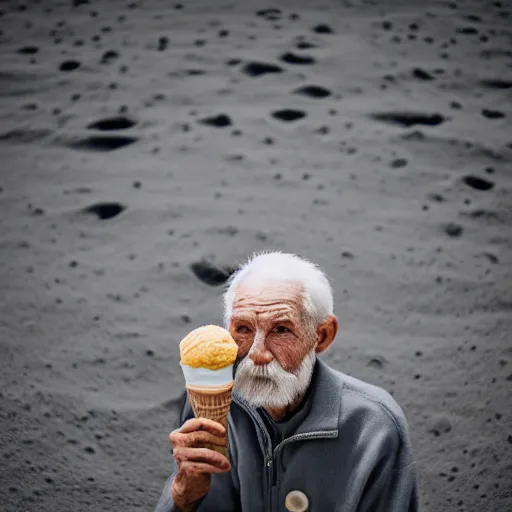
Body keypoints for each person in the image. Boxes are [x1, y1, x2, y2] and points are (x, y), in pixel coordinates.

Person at [155, 251, 419, 512]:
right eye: (244, 329)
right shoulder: (214, 409)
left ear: (323, 336)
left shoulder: (375, 428)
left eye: (281, 330)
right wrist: (182, 496)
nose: (258, 354)